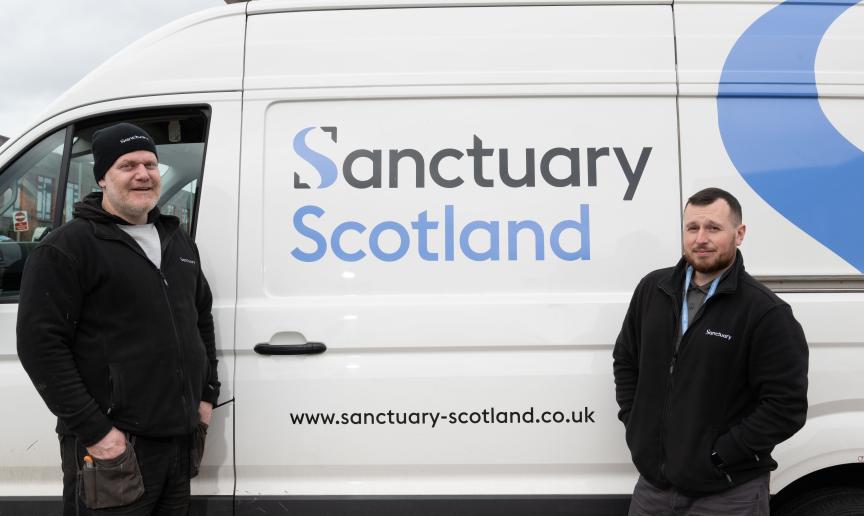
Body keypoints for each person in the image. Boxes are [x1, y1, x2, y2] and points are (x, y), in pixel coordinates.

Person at [17, 122, 219, 515]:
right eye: (127, 166)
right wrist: (98, 434)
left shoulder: (177, 242)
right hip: (114, 449)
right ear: (102, 178)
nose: (143, 174)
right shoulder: (68, 248)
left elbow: (201, 318)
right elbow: (40, 347)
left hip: (177, 443)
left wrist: (206, 395)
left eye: (150, 164)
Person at [613, 187, 808, 515]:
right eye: (692, 228)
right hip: (654, 490)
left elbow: (785, 406)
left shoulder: (764, 311)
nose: (700, 238)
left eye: (713, 228)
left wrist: (720, 455)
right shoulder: (653, 290)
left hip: (728, 493)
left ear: (739, 233)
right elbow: (626, 361)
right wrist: (638, 428)